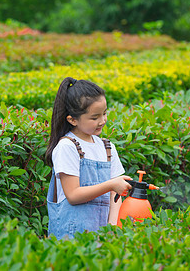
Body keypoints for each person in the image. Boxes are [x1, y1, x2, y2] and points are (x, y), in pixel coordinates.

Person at [45, 77, 132, 240]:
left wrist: (112, 229)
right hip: (71, 237)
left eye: (104, 113)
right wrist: (112, 184)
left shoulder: (107, 148)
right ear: (72, 119)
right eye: (94, 117)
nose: (102, 120)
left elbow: (116, 194)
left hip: (102, 235)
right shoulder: (67, 147)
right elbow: (73, 195)